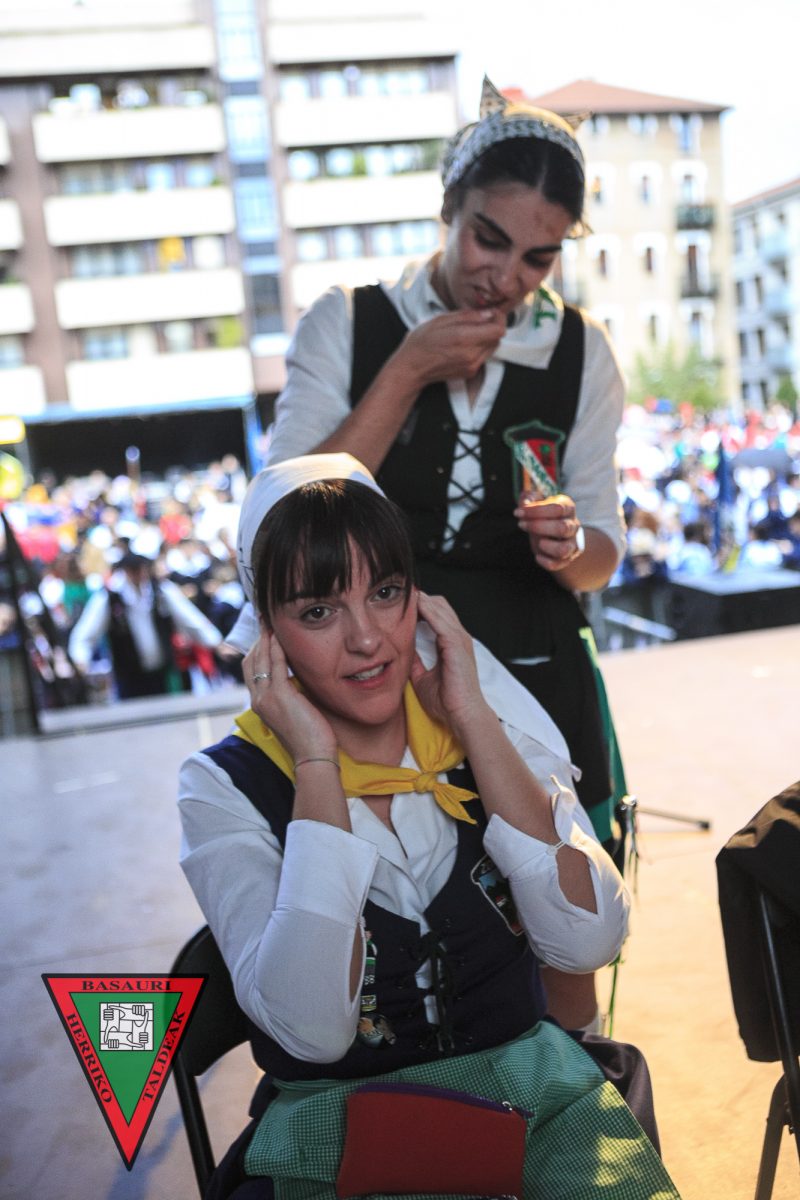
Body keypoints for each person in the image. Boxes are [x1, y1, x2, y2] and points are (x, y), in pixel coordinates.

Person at [178, 454, 680, 1200]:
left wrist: (474, 719)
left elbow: (588, 941)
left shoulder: (479, 710)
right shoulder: (223, 785)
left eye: (386, 593)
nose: (367, 640)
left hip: (531, 1103)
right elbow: (313, 1030)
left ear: (420, 597)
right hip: (334, 1132)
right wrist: (316, 763)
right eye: (318, 612)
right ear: (267, 635)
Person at [263, 79, 626, 1029]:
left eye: (538, 256)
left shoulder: (581, 350)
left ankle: (566, 1080)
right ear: (448, 208)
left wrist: (571, 545)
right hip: (384, 662)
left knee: (560, 922)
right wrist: (409, 369)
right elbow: (284, 511)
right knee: (405, 919)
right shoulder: (350, 322)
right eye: (486, 238)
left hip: (535, 655)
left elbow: (604, 555)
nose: (505, 276)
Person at [68, 551, 223, 699]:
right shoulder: (110, 598)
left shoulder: (161, 591)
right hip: (129, 676)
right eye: (133, 570)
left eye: (140, 569)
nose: (138, 574)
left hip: (163, 672)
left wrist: (215, 642)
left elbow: (190, 618)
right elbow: (88, 630)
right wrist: (80, 657)